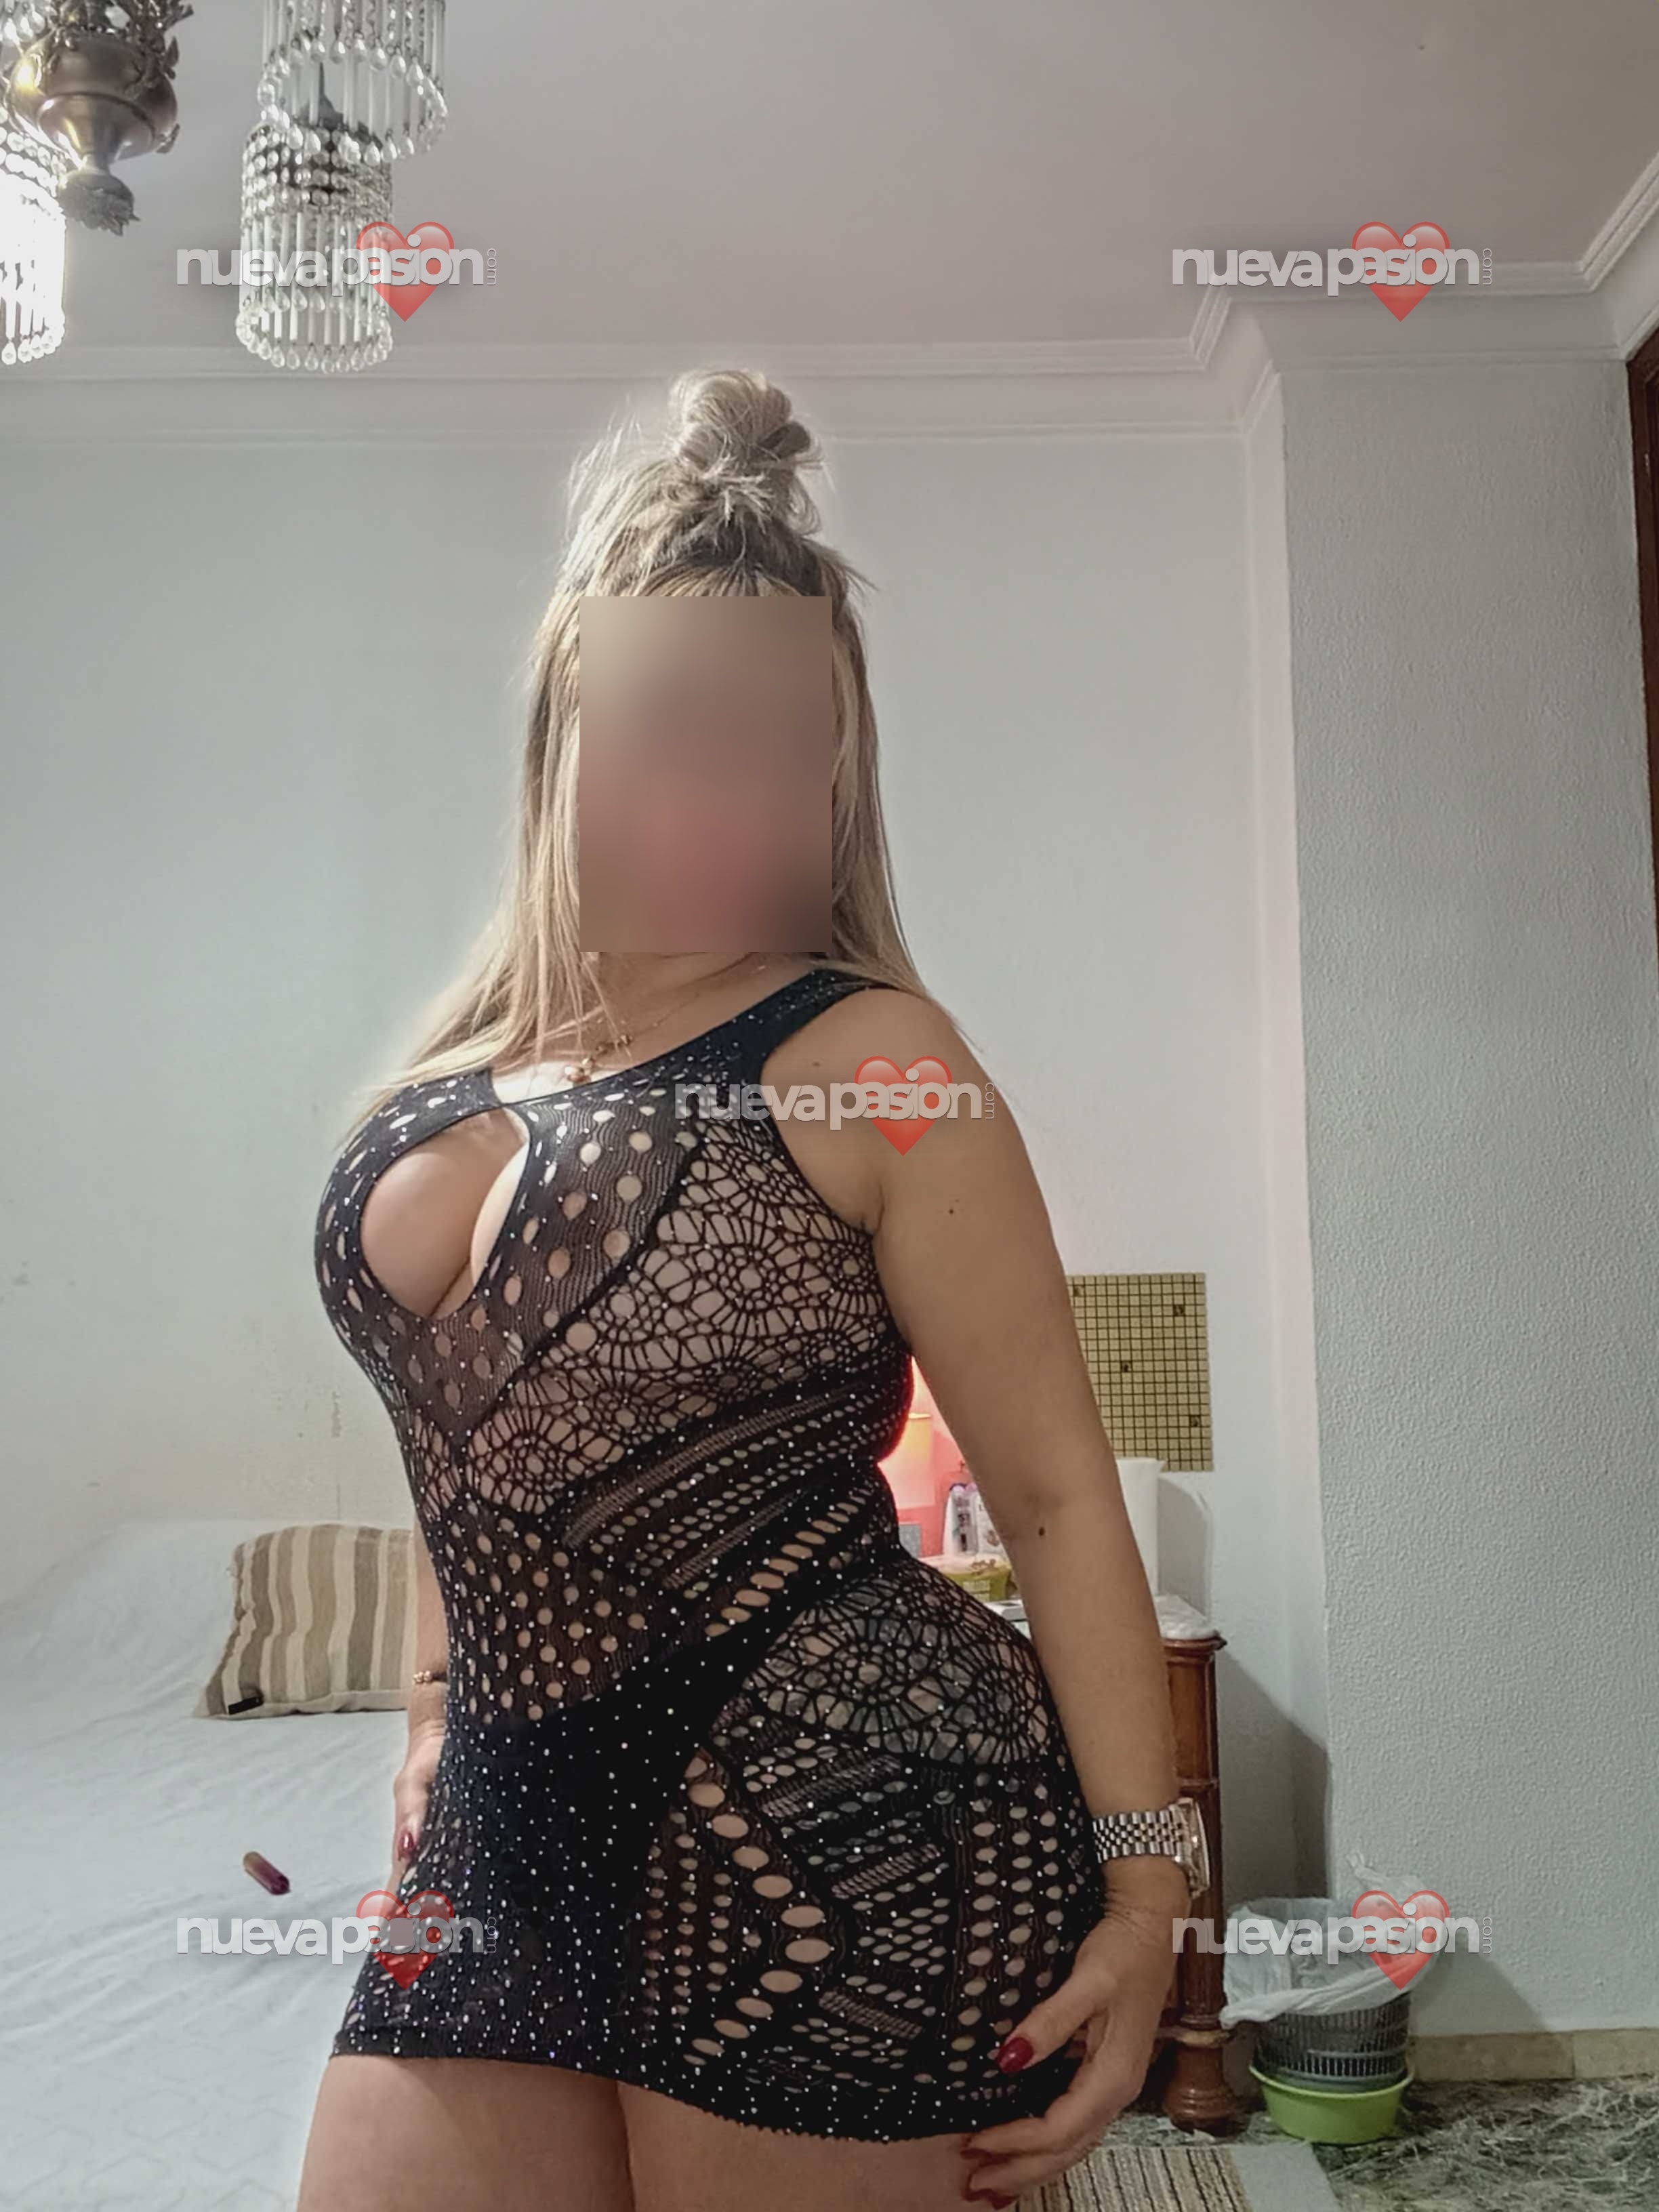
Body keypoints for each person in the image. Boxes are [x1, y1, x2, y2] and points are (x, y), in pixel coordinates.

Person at [297, 368, 1192, 2212]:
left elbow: (1052, 1495)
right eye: (683, 727)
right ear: (563, 729)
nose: (744, 793)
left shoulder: (876, 1057)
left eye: (796, 745)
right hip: (509, 1826)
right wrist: (429, 1710)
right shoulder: (450, 1078)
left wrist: (1149, 1888)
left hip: (843, 1812)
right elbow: (469, 1441)